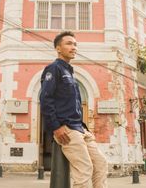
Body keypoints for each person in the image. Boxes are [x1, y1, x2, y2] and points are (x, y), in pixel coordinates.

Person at [40, 31, 108, 188]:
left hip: (80, 128)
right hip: (67, 129)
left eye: (75, 44)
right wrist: (56, 126)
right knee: (84, 170)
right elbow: (45, 99)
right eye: (69, 44)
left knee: (100, 163)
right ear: (58, 48)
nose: (74, 47)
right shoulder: (53, 69)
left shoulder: (69, 71)